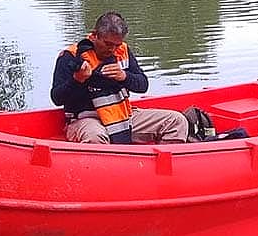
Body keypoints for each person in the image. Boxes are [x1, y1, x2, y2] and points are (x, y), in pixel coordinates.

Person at [51, 11, 188, 144]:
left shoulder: (123, 51)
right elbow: (57, 98)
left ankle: (156, 164)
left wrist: (124, 76)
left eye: (117, 45)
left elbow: (143, 85)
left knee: (177, 121)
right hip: (86, 119)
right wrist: (78, 80)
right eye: (108, 44)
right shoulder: (71, 56)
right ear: (94, 36)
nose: (113, 50)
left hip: (121, 116)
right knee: (95, 137)